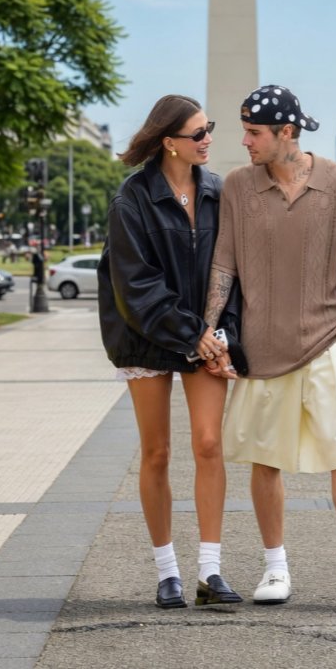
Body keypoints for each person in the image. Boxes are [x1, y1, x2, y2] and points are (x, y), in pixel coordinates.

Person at [203, 85, 336, 606]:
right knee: (264, 460)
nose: (244, 141)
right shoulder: (237, 187)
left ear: (286, 133)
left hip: (326, 344)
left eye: (254, 133)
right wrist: (214, 334)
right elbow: (223, 265)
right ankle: (275, 569)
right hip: (260, 351)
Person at [97, 95, 243, 610]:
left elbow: (234, 273)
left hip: (201, 336)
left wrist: (222, 335)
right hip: (147, 335)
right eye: (198, 133)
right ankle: (167, 573)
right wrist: (190, 333)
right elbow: (135, 286)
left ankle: (211, 569)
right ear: (169, 143)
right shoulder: (131, 200)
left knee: (208, 445)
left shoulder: (220, 194)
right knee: (156, 451)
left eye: (210, 129)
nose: (208, 140)